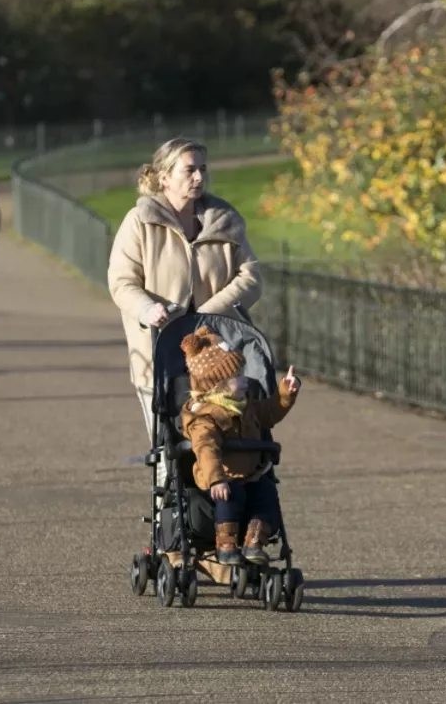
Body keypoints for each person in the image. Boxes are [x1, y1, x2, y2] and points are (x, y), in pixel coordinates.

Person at [107, 137, 263, 446]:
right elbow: (122, 282)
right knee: (168, 445)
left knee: (222, 439)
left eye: (203, 169)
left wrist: (210, 314)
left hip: (218, 355)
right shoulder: (139, 222)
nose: (199, 177)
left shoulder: (224, 220)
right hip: (159, 350)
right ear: (164, 177)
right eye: (189, 170)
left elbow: (251, 276)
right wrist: (147, 309)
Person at [178, 326, 301, 565]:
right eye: (238, 376)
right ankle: (226, 545)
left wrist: (285, 392)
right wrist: (216, 478)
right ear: (218, 384)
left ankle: (254, 543)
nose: (246, 380)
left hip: (251, 475)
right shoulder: (205, 416)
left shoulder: (247, 406)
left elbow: (270, 413)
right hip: (220, 479)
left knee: (267, 496)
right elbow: (206, 448)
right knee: (231, 496)